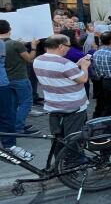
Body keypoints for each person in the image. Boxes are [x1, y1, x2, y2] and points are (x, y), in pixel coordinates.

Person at [32, 34, 90, 162]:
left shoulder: (38, 60)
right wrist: (84, 67)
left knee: (58, 138)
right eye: (68, 46)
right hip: (73, 107)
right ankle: (74, 163)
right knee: (74, 137)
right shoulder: (65, 63)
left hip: (53, 106)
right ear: (61, 46)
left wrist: (76, 65)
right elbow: (83, 79)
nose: (69, 49)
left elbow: (59, 74)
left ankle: (60, 162)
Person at [0, 24, 33, 160]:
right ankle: (10, 144)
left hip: (6, 81)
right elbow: (29, 59)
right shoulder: (6, 44)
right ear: (9, 29)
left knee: (9, 110)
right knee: (8, 113)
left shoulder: (5, 44)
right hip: (5, 83)